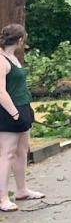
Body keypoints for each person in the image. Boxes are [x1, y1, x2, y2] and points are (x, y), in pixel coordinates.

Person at [0, 24, 43, 211]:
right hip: (9, 111)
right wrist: (15, 114)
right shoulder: (1, 60)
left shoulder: (14, 57)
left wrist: (24, 112)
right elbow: (0, 92)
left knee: (22, 150)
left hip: (23, 106)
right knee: (7, 153)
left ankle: (22, 190)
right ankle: (2, 199)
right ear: (20, 40)